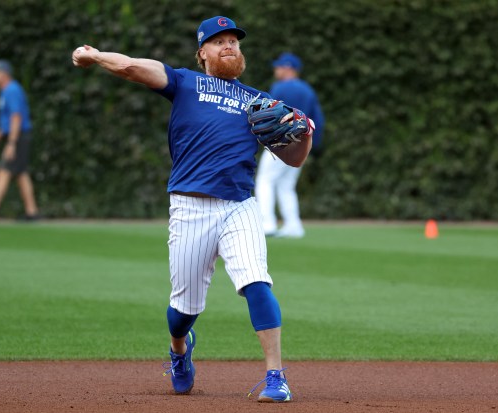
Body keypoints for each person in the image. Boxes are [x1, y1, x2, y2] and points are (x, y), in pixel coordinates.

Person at [72, 16, 316, 402]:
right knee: (183, 311)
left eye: (234, 40)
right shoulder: (185, 82)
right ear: (202, 52)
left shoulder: (258, 102)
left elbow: (294, 160)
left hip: (239, 206)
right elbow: (136, 67)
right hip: (189, 207)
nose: (229, 45)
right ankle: (179, 350)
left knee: (256, 281)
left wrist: (305, 134)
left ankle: (276, 377)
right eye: (219, 41)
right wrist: (98, 55)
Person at [255, 52, 325, 238]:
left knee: (265, 181)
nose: (276, 69)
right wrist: (313, 147)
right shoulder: (308, 90)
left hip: (280, 143)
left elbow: (270, 115)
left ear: (288, 68)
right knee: (286, 185)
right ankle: (293, 225)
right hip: (301, 145)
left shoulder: (279, 88)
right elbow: (318, 119)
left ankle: (267, 223)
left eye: (279, 66)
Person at [0, 59, 39, 221]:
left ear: (3, 74)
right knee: (21, 174)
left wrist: (11, 143)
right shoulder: (6, 91)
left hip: (18, 136)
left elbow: (16, 117)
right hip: (16, 135)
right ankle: (32, 212)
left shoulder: (11, 90)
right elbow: (6, 121)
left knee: (4, 170)